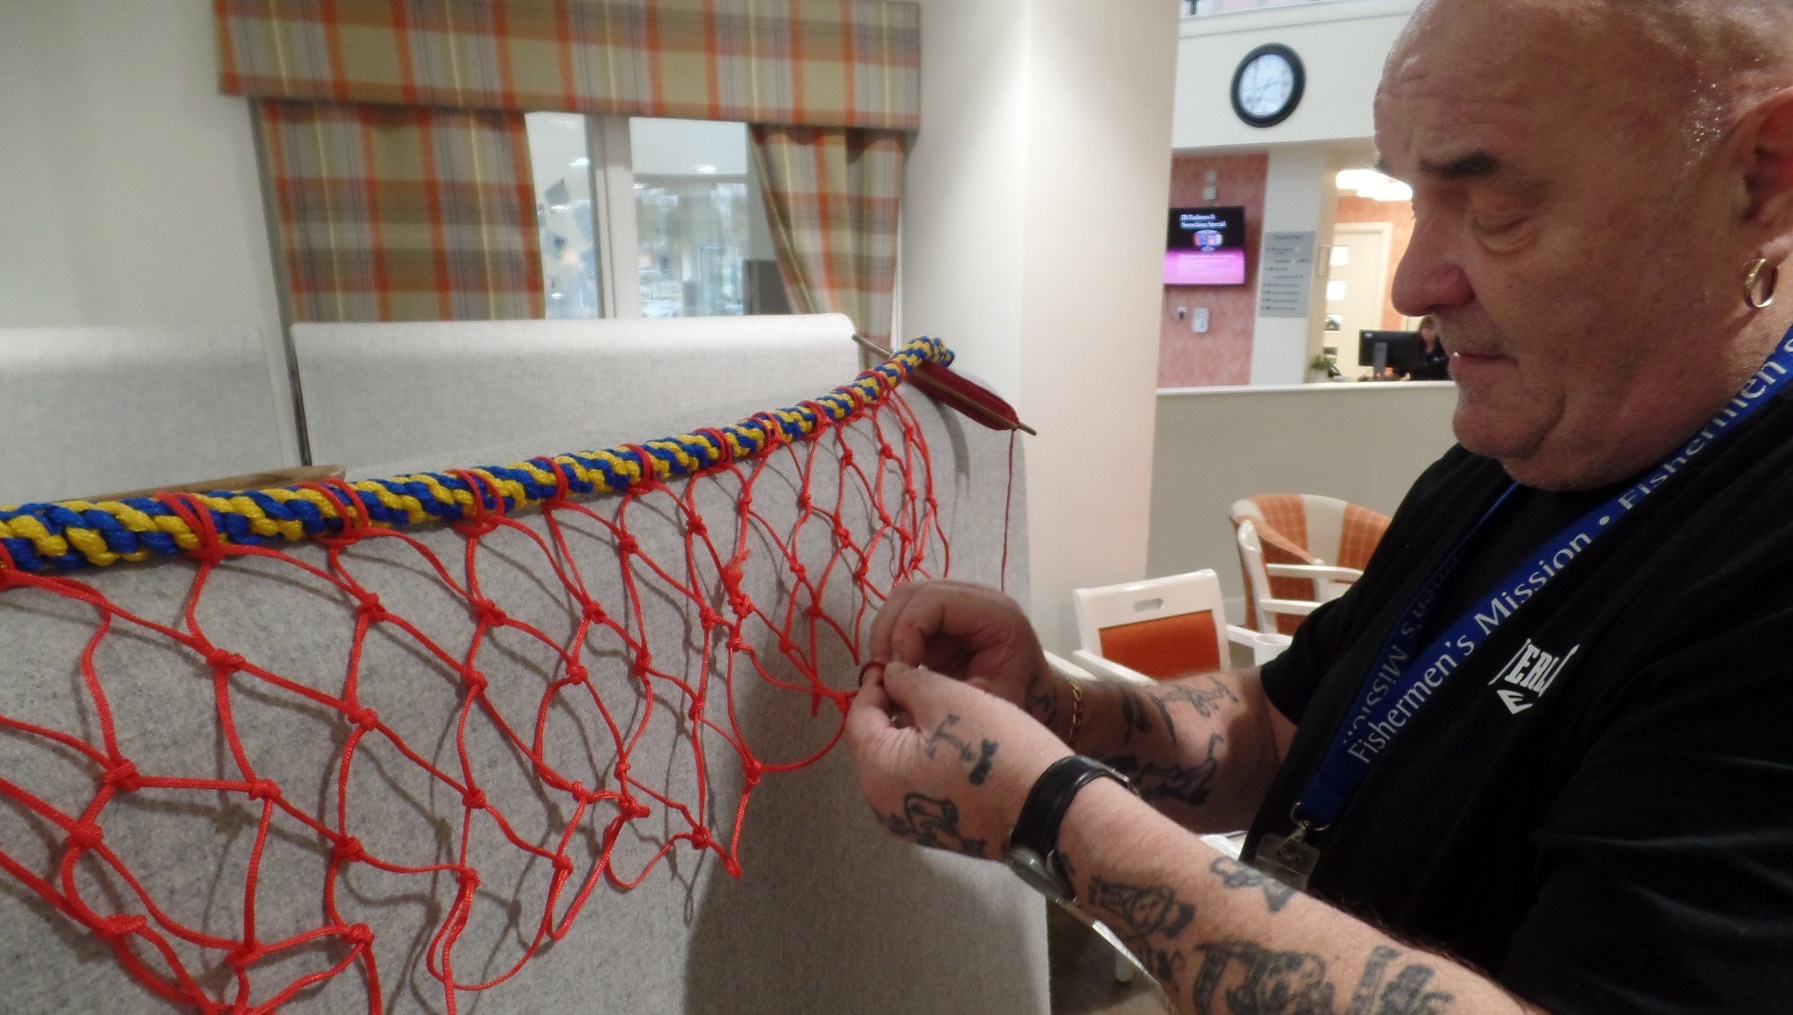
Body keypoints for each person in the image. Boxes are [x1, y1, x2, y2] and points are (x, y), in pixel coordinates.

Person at [843, 1, 1793, 1013]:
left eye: (1494, 209)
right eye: (1411, 198)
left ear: (1760, 176)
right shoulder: (1518, 448)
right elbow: (1280, 727)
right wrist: (1054, 705)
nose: (1410, 282)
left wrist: (1054, 819)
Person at [1407, 314, 1451, 380]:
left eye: (1430, 328)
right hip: (1415, 386)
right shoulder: (1412, 347)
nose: (1426, 331)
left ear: (1439, 330)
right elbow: (1399, 372)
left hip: (1439, 387)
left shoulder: (1446, 348)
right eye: (1424, 327)